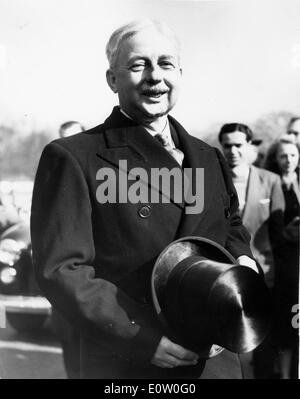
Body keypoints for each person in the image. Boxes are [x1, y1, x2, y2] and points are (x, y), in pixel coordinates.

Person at [31, 19, 262, 379]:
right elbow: (61, 269)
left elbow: (229, 223)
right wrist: (139, 337)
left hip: (215, 357)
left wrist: (244, 262)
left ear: (180, 73)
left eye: (166, 64)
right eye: (138, 65)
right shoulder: (75, 157)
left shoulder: (208, 156)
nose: (155, 76)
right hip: (130, 361)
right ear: (112, 79)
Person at [218, 122, 285, 378]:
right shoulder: (215, 181)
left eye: (238, 145)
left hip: (263, 274)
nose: (233, 151)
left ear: (249, 146)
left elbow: (277, 233)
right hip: (226, 275)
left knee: (264, 342)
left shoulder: (270, 181)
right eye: (227, 145)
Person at [50, 121, 86, 379]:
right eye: (63, 140)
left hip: (93, 286)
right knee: (72, 359)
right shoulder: (52, 176)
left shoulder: (99, 174)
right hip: (65, 285)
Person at [264, 136, 299, 379]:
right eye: (283, 156)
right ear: (275, 159)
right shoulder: (272, 183)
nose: (288, 160)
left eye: (293, 155)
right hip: (283, 260)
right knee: (286, 321)